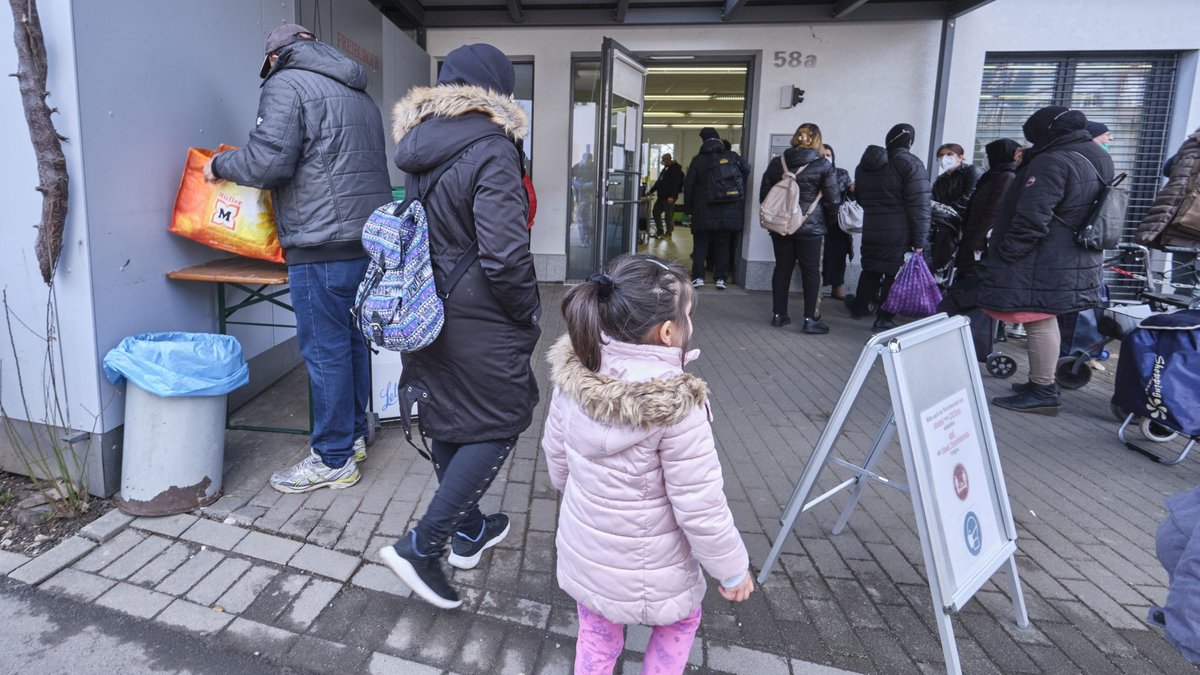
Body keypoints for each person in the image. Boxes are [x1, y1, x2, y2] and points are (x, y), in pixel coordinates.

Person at [378, 43, 541, 609]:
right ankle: (422, 546)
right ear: (495, 92)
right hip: (481, 312)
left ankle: (470, 529)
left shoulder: (422, 144)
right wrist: (526, 311)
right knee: (501, 419)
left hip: (428, 305)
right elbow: (503, 253)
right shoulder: (492, 148)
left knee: (449, 416)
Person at [541, 253, 753, 675]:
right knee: (681, 621)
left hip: (590, 553)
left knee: (598, 636)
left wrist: (582, 499)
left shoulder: (576, 376)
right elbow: (701, 506)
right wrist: (732, 571)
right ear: (669, 331)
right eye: (689, 316)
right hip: (660, 566)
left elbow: (556, 457)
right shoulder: (678, 407)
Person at [205, 24, 390, 493]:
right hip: (361, 240)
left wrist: (218, 165)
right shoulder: (356, 91)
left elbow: (269, 163)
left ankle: (332, 458)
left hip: (319, 240)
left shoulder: (286, 83)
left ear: (274, 57)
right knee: (350, 343)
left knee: (324, 350)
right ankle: (352, 437)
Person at [977, 106, 1114, 415]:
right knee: (1044, 317)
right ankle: (1041, 382)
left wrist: (1006, 252)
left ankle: (1042, 389)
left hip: (1043, 255)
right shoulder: (1095, 153)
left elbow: (1032, 216)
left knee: (1037, 319)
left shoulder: (1053, 160)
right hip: (1072, 252)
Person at [845, 123, 931, 331]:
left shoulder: (864, 165)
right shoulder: (910, 164)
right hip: (900, 229)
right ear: (909, 141)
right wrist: (920, 240)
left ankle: (859, 306)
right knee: (894, 273)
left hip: (873, 226)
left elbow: (862, 198)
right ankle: (884, 317)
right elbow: (919, 205)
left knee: (871, 268)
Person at [758, 123, 842, 333]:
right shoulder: (823, 164)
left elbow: (764, 195)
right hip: (810, 226)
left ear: (796, 137)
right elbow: (832, 199)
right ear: (817, 140)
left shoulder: (778, 162)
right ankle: (810, 319)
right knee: (812, 272)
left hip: (781, 225)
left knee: (782, 268)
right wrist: (828, 221)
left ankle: (779, 315)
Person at [684, 128, 750, 290]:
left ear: (703, 141)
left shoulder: (698, 160)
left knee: (700, 244)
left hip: (703, 209)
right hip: (728, 209)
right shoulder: (732, 157)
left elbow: (689, 186)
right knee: (723, 244)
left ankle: (698, 276)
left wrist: (688, 209)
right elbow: (746, 170)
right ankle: (721, 278)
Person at [955, 138, 1021, 278]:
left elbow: (994, 211)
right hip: (974, 236)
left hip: (981, 243)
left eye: (989, 155)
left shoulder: (1006, 177)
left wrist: (978, 241)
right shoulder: (992, 176)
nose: (986, 159)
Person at [1137, 127, 1200, 249]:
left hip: (1183, 223)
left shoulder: (1193, 143)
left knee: (1183, 264)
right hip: (1190, 221)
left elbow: (1167, 169)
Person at [820, 143, 855, 301]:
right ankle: (817, 286)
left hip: (838, 220)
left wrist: (853, 188)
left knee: (839, 253)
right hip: (818, 218)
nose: (826, 157)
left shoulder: (841, 173)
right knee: (818, 254)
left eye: (828, 154)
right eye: (822, 155)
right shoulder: (812, 172)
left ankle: (837, 286)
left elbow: (849, 191)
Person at [932, 142, 981, 218]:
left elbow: (970, 196)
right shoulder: (940, 180)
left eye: (949, 154)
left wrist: (948, 211)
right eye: (941, 155)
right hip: (947, 220)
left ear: (960, 157)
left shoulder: (971, 171)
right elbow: (934, 201)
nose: (944, 158)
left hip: (969, 218)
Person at [648, 153, 684, 238]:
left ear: (668, 159)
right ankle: (660, 231)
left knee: (668, 215)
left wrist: (672, 196)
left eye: (663, 160)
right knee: (656, 212)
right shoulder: (665, 169)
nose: (662, 162)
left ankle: (668, 233)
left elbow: (675, 184)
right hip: (661, 196)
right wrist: (650, 191)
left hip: (669, 197)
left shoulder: (676, 170)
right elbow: (659, 182)